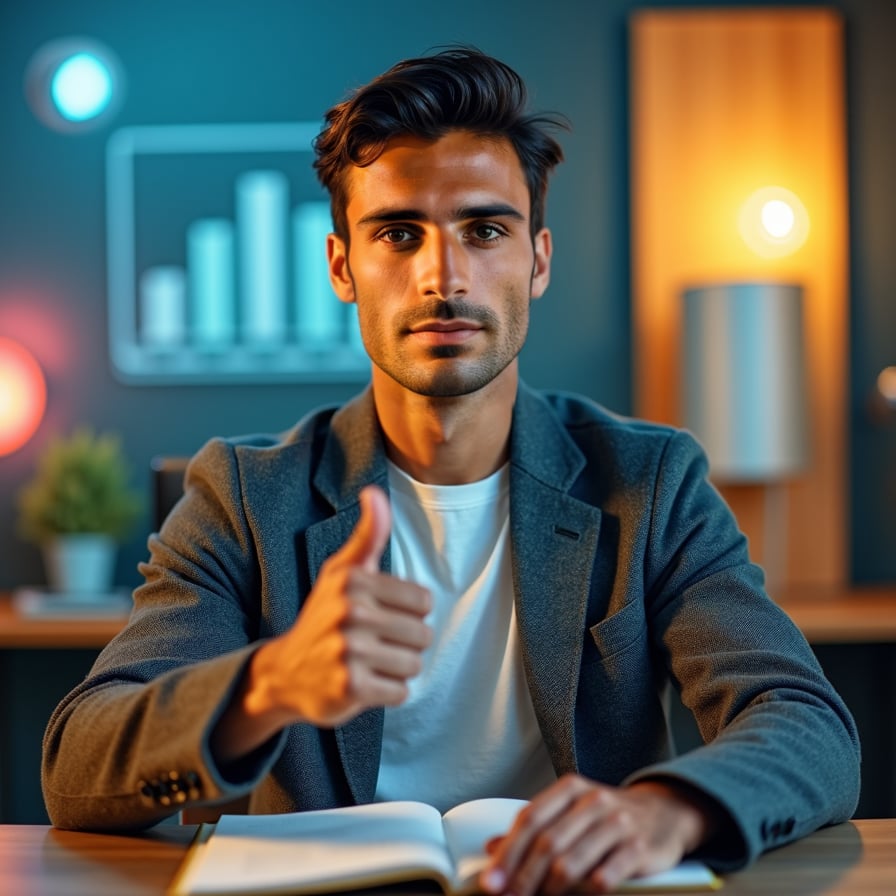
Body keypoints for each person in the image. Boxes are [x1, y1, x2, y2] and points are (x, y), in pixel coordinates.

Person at [42, 47, 859, 894]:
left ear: (538, 261)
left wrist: (666, 812)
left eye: (485, 229)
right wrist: (268, 685)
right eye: (398, 234)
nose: (443, 276)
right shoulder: (245, 497)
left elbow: (808, 725)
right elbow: (76, 767)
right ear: (341, 267)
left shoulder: (651, 484)